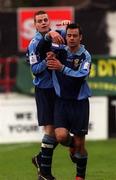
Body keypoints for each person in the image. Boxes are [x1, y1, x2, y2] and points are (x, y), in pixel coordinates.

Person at [27, 10, 70, 180]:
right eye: (40, 21)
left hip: (58, 89)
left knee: (61, 131)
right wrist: (48, 60)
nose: (44, 22)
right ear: (36, 25)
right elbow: (35, 70)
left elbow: (70, 36)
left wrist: (68, 25)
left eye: (46, 20)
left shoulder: (56, 34)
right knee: (52, 130)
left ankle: (40, 159)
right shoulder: (33, 44)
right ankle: (45, 173)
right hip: (44, 90)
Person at [46, 23, 92, 180]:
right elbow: (44, 41)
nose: (72, 38)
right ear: (66, 37)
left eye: (75, 36)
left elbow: (81, 75)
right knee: (60, 136)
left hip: (80, 103)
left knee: (80, 146)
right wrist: (51, 34)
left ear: (81, 37)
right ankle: (72, 145)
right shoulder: (59, 50)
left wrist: (61, 68)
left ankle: (80, 177)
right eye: (69, 35)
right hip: (62, 102)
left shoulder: (85, 55)